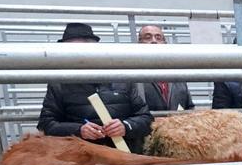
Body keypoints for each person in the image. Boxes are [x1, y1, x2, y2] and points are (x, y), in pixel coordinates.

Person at [36, 23, 154, 153]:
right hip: (84, 160)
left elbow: (146, 118)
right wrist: (79, 130)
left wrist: (126, 127)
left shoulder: (121, 79)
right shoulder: (59, 84)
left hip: (127, 157)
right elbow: (46, 124)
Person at [128, 25, 195, 112]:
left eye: (158, 38)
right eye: (148, 37)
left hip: (176, 125)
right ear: (139, 43)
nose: (154, 41)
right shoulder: (132, 74)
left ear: (165, 43)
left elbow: (189, 107)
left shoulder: (176, 74)